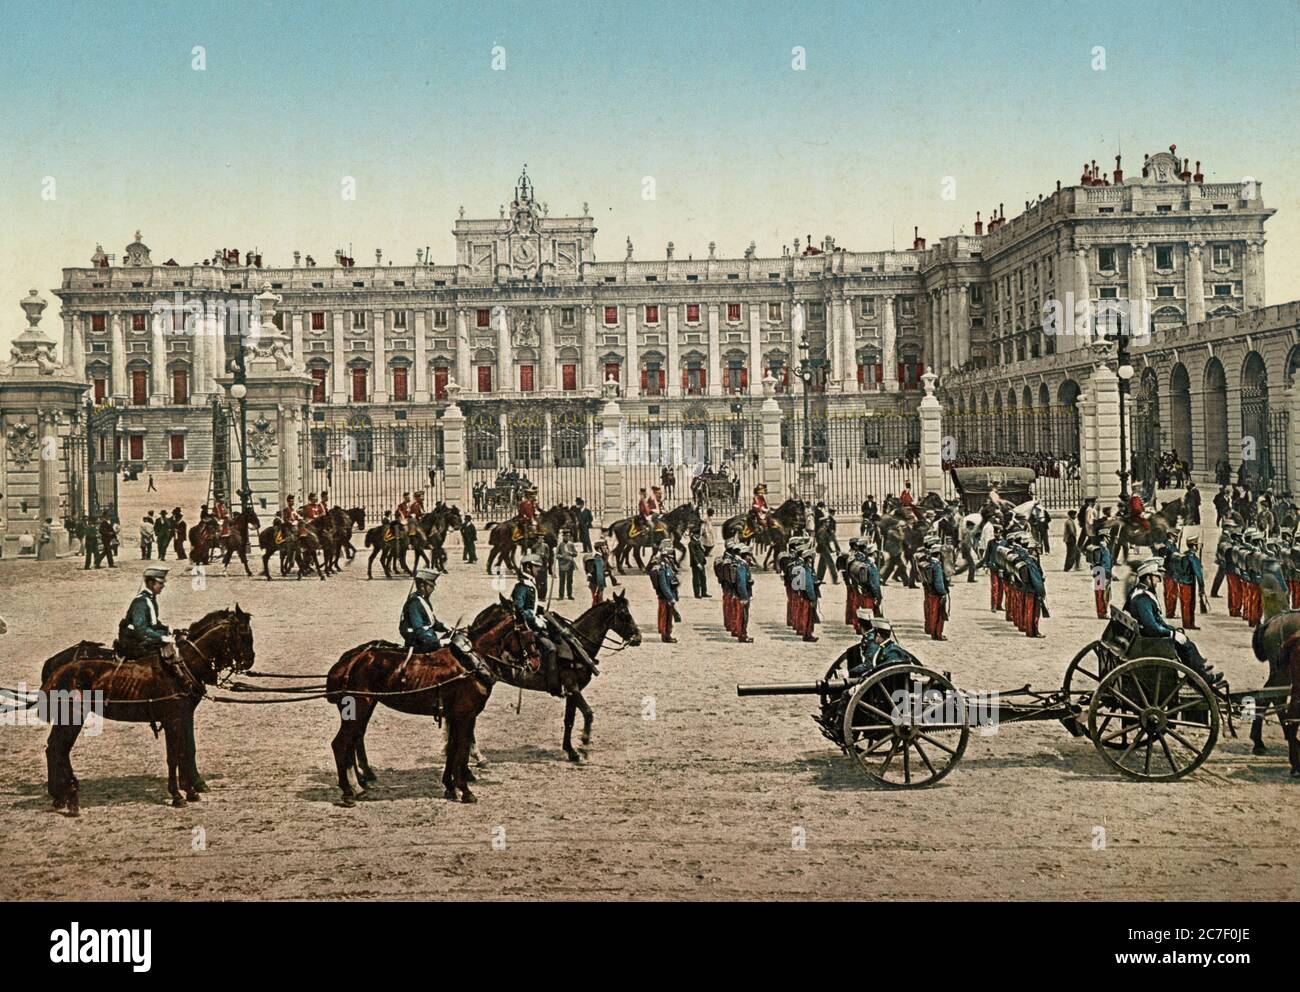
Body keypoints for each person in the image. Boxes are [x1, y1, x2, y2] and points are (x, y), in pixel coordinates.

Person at [1124, 557, 1222, 686]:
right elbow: (1152, 627)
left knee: (1183, 639)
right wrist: (1172, 634)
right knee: (1185, 644)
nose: (1159, 580)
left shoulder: (1139, 592)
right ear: (1148, 578)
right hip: (1149, 640)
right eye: (1156, 577)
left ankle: (1198, 669)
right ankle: (1200, 676)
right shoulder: (1143, 598)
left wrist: (1171, 630)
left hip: (1142, 636)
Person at [116, 567, 175, 660]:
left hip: (141, 637)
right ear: (151, 583)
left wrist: (165, 628)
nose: (163, 586)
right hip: (132, 642)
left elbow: (151, 621)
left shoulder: (151, 598)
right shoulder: (141, 601)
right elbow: (140, 629)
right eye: (160, 583)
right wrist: (161, 638)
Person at [400, 568, 450, 653]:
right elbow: (419, 631)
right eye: (431, 586)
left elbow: (430, 623)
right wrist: (437, 643)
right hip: (418, 643)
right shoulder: (414, 603)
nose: (433, 589)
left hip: (427, 638)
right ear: (422, 586)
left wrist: (443, 626)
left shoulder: (423, 600)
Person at [1169, 536, 1208, 630]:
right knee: (1189, 604)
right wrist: (1201, 587)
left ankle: (1186, 622)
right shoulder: (1192, 557)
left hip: (1182, 582)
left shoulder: (1184, 555)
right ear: (1194, 546)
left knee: (1184, 603)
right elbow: (1198, 573)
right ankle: (1188, 623)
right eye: (1196, 544)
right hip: (1189, 583)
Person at [649, 540, 681, 643]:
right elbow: (663, 585)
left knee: (668, 616)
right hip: (666, 596)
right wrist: (670, 597)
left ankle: (667, 634)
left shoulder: (667, 564)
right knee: (666, 617)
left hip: (668, 594)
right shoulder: (662, 566)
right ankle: (666, 635)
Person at [789, 538, 819, 642]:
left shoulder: (799, 565)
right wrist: (813, 597)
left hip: (800, 593)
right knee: (807, 616)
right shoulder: (805, 568)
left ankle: (804, 631)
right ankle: (807, 634)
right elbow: (809, 585)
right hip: (806, 595)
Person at [919, 536, 948, 641]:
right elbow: (939, 582)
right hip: (937, 592)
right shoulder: (937, 565)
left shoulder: (928, 563)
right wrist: (943, 593)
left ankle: (932, 632)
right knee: (939, 615)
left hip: (930, 591)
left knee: (932, 612)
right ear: (939, 554)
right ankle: (938, 634)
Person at [1087, 535, 1114, 619]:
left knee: (1103, 594)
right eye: (1107, 537)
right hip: (1101, 572)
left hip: (1100, 572)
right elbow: (1101, 563)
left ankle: (1103, 611)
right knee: (1101, 594)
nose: (1108, 539)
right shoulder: (1100, 549)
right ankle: (1102, 612)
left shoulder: (1104, 548)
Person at [815, 508, 840, 584]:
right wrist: (827, 549)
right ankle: (835, 579)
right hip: (823, 549)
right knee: (831, 563)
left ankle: (819, 578)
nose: (828, 523)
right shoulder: (822, 530)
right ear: (824, 523)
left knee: (822, 564)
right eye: (827, 522)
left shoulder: (825, 530)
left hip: (824, 548)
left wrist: (830, 548)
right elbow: (822, 542)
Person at [687, 525, 710, 598]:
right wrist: (697, 563)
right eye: (697, 535)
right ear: (694, 535)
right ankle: (697, 593)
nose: (698, 536)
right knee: (696, 578)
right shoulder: (691, 543)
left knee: (703, 577)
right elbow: (693, 554)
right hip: (696, 563)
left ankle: (704, 592)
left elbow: (702, 552)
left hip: (701, 562)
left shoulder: (698, 542)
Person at [556, 529, 577, 600]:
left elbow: (576, 553)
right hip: (562, 564)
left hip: (570, 564)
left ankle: (569, 595)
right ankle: (561, 595)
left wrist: (571, 553)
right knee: (562, 581)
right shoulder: (560, 545)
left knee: (569, 580)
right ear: (563, 537)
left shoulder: (571, 544)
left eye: (568, 536)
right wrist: (562, 556)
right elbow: (557, 555)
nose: (567, 537)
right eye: (566, 536)